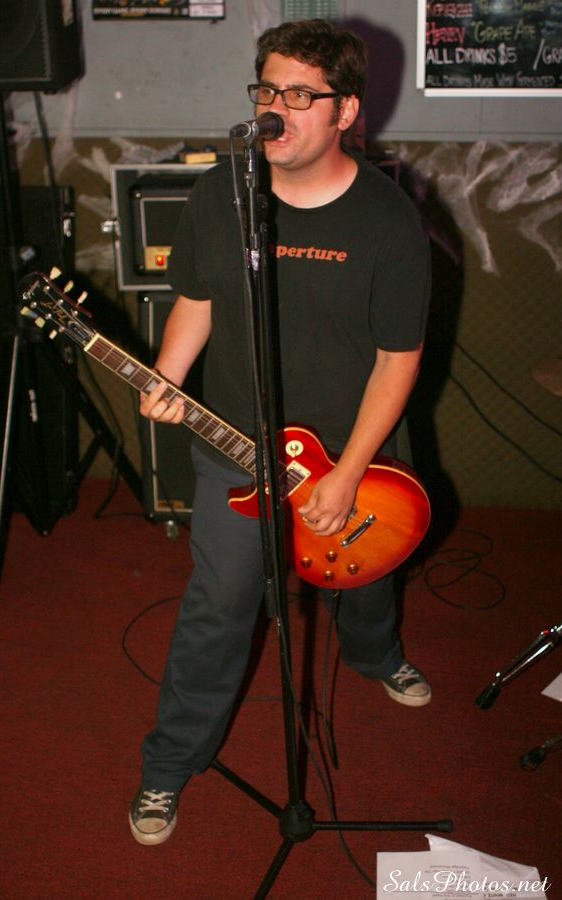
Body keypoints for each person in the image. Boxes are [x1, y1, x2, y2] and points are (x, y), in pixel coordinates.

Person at [130, 18, 431, 846]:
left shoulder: (387, 220)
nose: (276, 109)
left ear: (346, 112)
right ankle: (168, 765)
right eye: (267, 89)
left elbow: (398, 360)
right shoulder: (221, 195)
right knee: (219, 605)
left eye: (301, 95)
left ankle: (375, 655)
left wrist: (349, 472)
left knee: (363, 572)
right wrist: (167, 375)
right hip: (237, 446)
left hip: (350, 449)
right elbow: (197, 299)